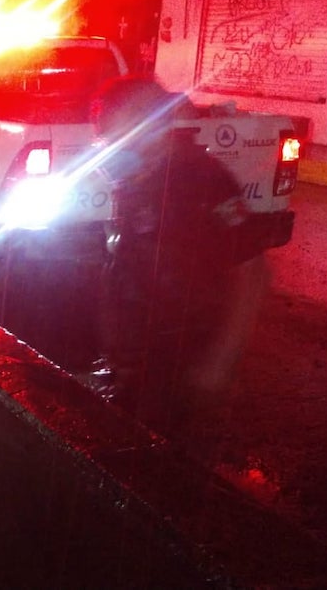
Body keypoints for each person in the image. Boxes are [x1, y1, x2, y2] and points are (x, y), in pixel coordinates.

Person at [89, 77, 269, 429]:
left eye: (116, 132)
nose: (111, 144)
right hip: (141, 364)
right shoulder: (138, 180)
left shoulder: (201, 178)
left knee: (173, 471)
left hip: (187, 363)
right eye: (106, 135)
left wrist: (219, 363)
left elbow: (254, 272)